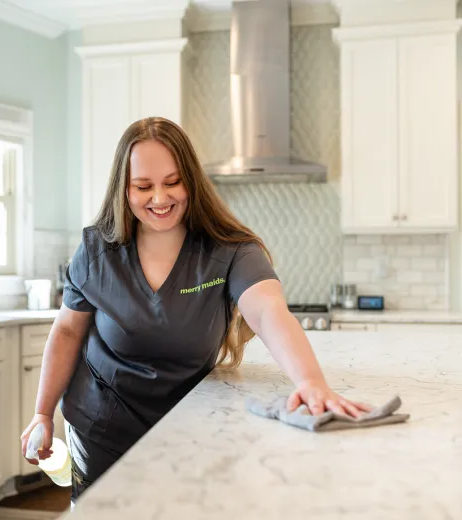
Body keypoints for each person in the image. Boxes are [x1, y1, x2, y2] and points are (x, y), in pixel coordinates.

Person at [20, 117, 370, 507]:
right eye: (143, 186)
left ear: (192, 180)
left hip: (189, 424)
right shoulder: (97, 250)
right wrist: (43, 413)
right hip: (101, 424)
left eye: (172, 182)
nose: (159, 198)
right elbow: (67, 332)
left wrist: (310, 382)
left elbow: (269, 311)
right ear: (124, 188)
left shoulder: (229, 249)